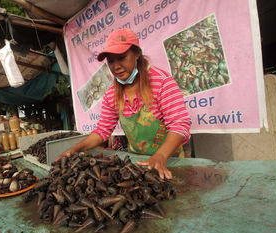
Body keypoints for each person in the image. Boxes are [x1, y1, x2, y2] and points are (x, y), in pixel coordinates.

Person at [58, 28, 191, 179]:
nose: (116, 66)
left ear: (137, 54)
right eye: (111, 61)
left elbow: (179, 125)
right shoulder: (111, 94)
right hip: (137, 164)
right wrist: (76, 149)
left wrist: (161, 156)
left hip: (170, 161)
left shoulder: (162, 82)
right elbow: (103, 130)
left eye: (122, 57)